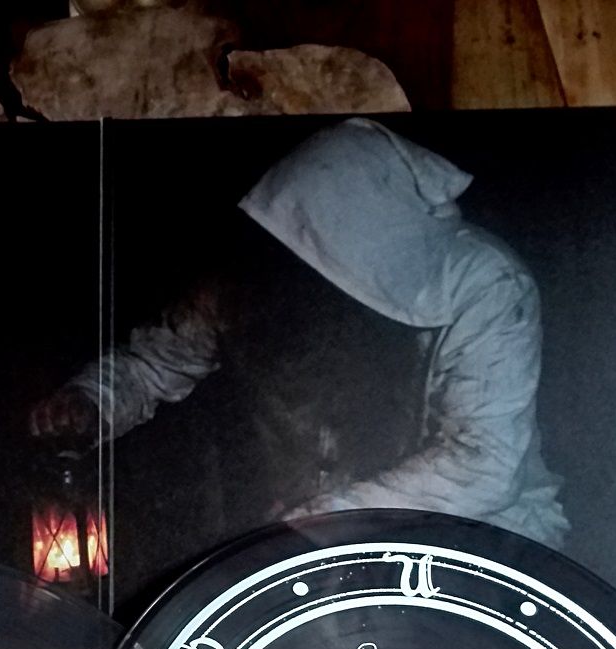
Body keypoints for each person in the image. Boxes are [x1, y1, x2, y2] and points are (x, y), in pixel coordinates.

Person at [31, 119, 567, 548]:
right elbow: (154, 363)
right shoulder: (255, 285)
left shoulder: (486, 286)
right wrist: (91, 401)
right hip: (316, 539)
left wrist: (318, 519)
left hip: (477, 541)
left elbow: (482, 464)